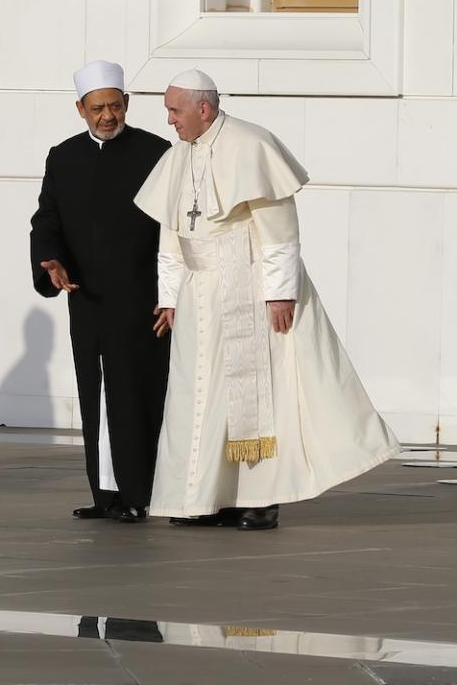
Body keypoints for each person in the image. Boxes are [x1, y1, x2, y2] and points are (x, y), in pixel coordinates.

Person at [135, 69, 399, 530]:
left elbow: (279, 233)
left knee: (253, 397)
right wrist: (169, 296)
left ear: (204, 108)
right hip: (198, 293)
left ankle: (257, 500)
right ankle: (200, 498)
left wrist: (279, 294)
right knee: (195, 394)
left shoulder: (251, 144)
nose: (169, 121)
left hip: (246, 287)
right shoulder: (179, 156)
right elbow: (172, 237)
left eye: (175, 111)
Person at [30, 60, 171, 523]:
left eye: (114, 106)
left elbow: (172, 230)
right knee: (96, 395)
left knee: (136, 394)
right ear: (80, 109)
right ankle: (105, 495)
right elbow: (46, 220)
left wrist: (170, 292)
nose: (107, 116)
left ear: (127, 104)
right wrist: (50, 261)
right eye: (97, 108)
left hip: (140, 300)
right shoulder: (63, 156)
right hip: (86, 300)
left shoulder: (157, 152)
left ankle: (139, 493)